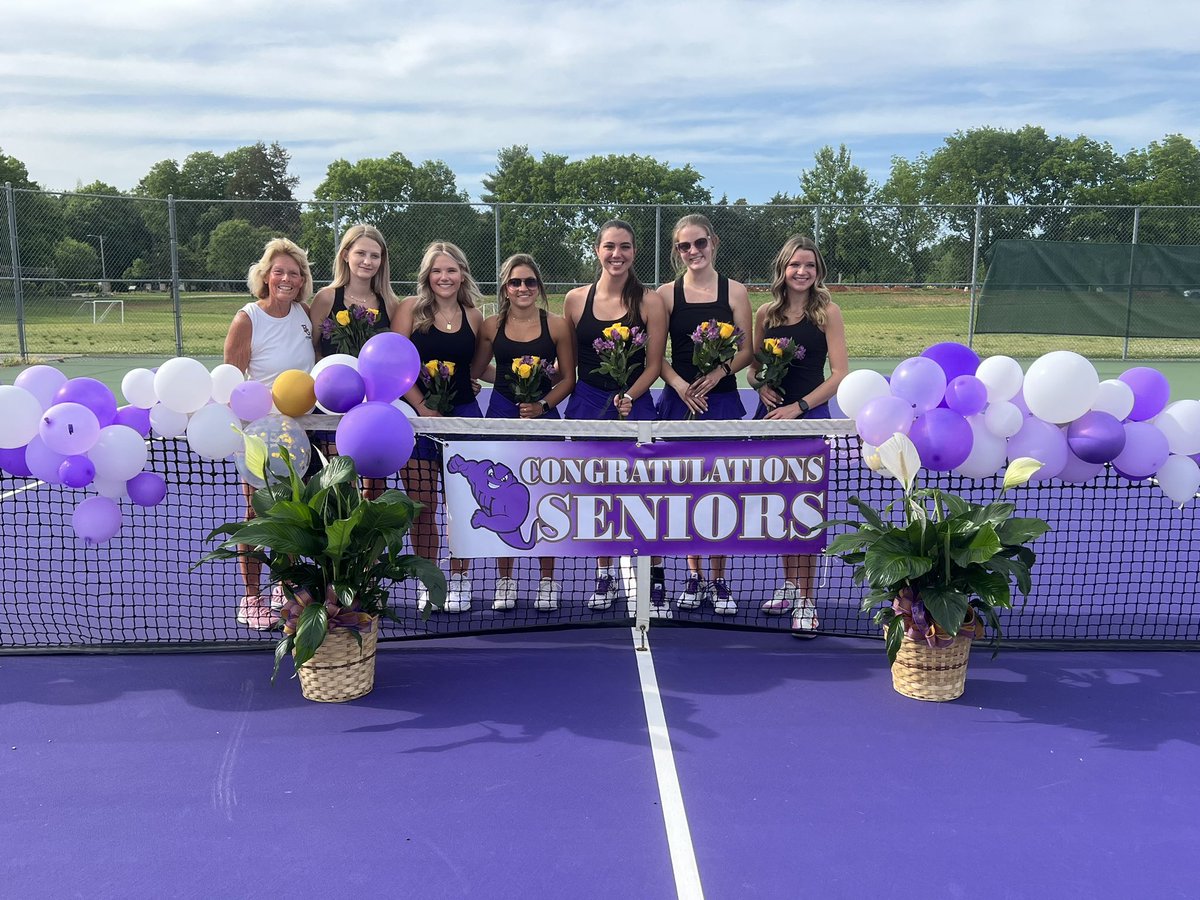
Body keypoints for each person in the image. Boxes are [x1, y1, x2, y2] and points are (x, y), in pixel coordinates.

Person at [563, 219, 667, 609]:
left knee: (646, 494)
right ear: (597, 250)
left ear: (634, 252)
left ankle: (654, 576)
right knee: (598, 494)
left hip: (637, 406)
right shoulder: (575, 300)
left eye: (624, 247)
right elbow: (570, 368)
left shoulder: (651, 301)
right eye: (609, 246)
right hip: (587, 406)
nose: (616, 254)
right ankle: (603, 574)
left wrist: (630, 394)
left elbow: (654, 364)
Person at [656, 214, 754, 615]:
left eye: (700, 243)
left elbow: (746, 350)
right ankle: (693, 577)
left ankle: (718, 579)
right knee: (683, 494)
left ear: (713, 242)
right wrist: (682, 387)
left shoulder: (736, 292)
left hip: (724, 403)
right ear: (677, 251)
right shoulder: (665, 294)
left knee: (720, 494)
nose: (693, 251)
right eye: (684, 246)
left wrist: (718, 374)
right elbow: (655, 356)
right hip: (678, 405)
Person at [751, 235, 848, 633]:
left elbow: (840, 374)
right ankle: (791, 586)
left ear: (818, 270)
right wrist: (760, 385)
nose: (802, 271)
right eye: (794, 265)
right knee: (780, 508)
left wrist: (800, 407)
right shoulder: (766, 314)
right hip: (769, 421)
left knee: (805, 512)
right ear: (783, 269)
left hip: (810, 421)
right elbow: (754, 367)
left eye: (809, 265)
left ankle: (807, 600)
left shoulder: (828, 312)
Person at [470, 253, 577, 612]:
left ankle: (547, 581)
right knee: (501, 500)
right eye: (515, 282)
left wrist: (541, 405)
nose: (523, 288)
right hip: (501, 415)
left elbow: (569, 378)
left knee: (545, 499)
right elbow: (478, 371)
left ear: (539, 287)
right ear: (505, 288)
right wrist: (509, 383)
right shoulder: (489, 326)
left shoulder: (558, 326)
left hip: (545, 418)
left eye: (530, 282)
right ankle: (505, 580)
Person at [222, 237, 317, 629]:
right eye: (279, 271)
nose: (287, 279)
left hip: (300, 435)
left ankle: (284, 585)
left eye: (294, 274)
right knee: (256, 515)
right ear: (264, 275)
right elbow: (232, 380)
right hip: (260, 435)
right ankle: (250, 598)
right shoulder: (248, 318)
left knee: (293, 516)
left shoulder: (305, 315)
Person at [393, 241, 485, 613]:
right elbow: (396, 366)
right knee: (423, 504)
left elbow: (475, 368)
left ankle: (460, 577)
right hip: (418, 418)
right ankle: (430, 579)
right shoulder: (409, 311)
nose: (444, 277)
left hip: (464, 417)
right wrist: (421, 405)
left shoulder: (474, 316)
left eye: (451, 270)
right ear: (427, 276)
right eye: (437, 271)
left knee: (462, 504)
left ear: (462, 273)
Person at [308, 224, 400, 499]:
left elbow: (393, 356)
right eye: (361, 253)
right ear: (346, 254)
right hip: (332, 408)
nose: (367, 261)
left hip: (375, 407)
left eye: (375, 255)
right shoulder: (326, 298)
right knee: (339, 486)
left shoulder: (390, 303)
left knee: (374, 489)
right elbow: (314, 349)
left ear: (382, 260)